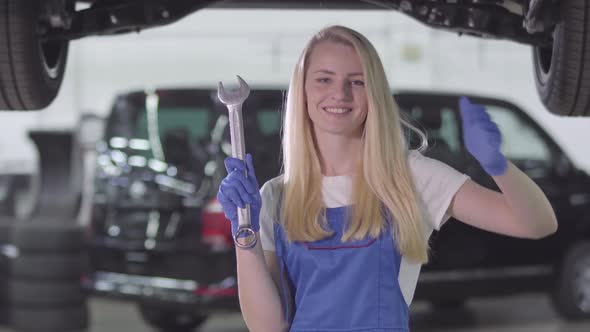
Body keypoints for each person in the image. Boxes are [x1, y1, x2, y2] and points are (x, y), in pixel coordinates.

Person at [216, 25, 558, 332]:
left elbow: (536, 224)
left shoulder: (407, 176)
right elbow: (267, 326)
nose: (341, 93)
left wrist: (497, 164)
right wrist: (244, 234)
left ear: (374, 93)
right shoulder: (274, 196)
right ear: (302, 92)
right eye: (324, 79)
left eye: (357, 81)